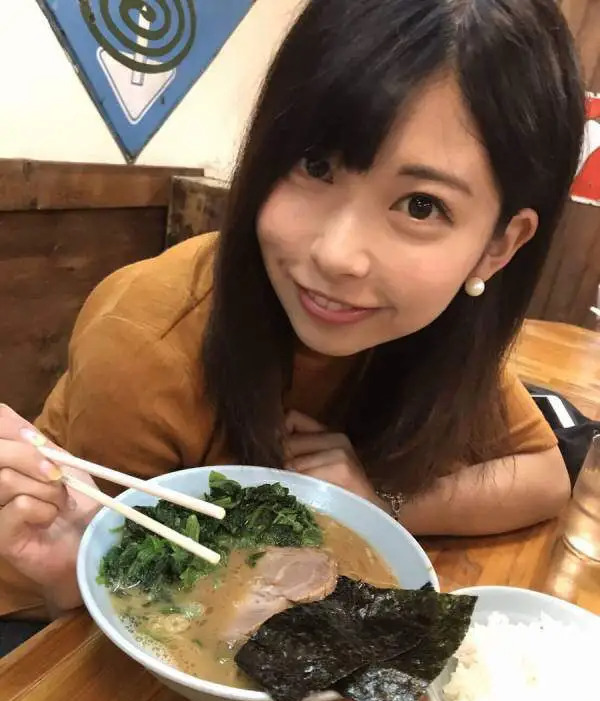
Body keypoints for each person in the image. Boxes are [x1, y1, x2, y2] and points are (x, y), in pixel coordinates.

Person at [0, 0, 585, 621]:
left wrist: (374, 505)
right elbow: (102, 588)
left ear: (498, 246)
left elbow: (546, 475)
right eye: (316, 165)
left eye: (420, 205)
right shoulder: (145, 342)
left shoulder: (441, 333)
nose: (336, 255)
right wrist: (69, 582)